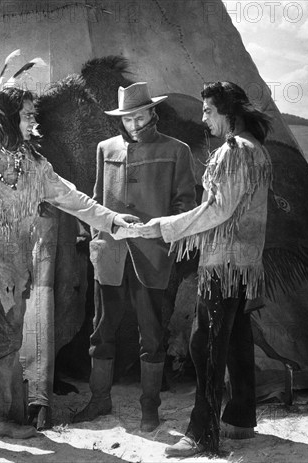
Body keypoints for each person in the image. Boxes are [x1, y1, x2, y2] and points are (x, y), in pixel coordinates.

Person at [0, 84, 139, 452]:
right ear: (7, 117)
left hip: (15, 273)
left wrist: (112, 220)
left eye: (33, 114)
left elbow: (75, 199)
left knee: (8, 346)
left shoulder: (36, 167)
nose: (34, 121)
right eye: (27, 114)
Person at [136, 81, 273, 456]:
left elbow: (219, 210)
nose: (203, 118)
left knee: (205, 344)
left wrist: (166, 226)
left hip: (224, 263)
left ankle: (202, 432)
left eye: (208, 111)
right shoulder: (255, 149)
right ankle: (241, 418)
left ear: (228, 112)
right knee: (236, 340)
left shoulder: (235, 151)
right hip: (242, 264)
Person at [72, 82, 197, 432]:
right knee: (101, 330)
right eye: (127, 117)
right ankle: (99, 401)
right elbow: (96, 200)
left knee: (152, 333)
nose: (134, 122)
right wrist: (98, 239)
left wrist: (159, 230)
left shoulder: (177, 151)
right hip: (110, 253)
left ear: (152, 112)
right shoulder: (105, 148)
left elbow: (186, 204)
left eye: (139, 115)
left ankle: (149, 408)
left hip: (152, 255)